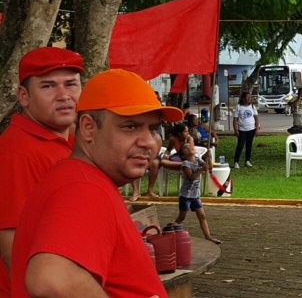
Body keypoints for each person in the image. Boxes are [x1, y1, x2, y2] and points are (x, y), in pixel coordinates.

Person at [11, 69, 183, 297]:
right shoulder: (84, 187)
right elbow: (52, 279)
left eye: (152, 128)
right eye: (130, 127)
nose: (148, 142)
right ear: (89, 128)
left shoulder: (81, 178)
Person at [0, 47, 84, 296]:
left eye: (71, 84)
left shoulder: (72, 140)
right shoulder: (17, 153)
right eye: (48, 86)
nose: (63, 95)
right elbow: (12, 243)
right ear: (24, 97)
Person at [130, 122, 194, 201]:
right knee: (161, 162)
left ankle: (150, 190)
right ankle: (136, 192)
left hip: (188, 159)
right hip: (178, 159)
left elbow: (191, 153)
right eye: (186, 131)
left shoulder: (189, 139)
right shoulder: (173, 139)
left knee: (155, 163)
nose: (188, 133)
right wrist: (166, 155)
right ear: (179, 133)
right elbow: (168, 150)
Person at [174, 142, 221, 245]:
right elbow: (191, 177)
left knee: (202, 216)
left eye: (191, 146)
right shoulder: (185, 164)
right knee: (182, 217)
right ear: (183, 154)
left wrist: (209, 157)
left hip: (195, 195)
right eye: (186, 148)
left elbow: (209, 168)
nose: (190, 147)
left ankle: (208, 236)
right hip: (186, 195)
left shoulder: (198, 160)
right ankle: (171, 229)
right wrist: (201, 170)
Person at [233, 92, 260, 169]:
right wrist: (236, 130)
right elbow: (235, 119)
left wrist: (257, 128)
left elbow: (256, 118)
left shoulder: (252, 106)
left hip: (251, 128)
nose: (249, 99)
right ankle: (236, 162)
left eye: (250, 97)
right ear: (243, 99)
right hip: (242, 129)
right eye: (248, 98)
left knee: (249, 145)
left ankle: (247, 160)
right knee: (240, 145)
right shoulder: (239, 107)